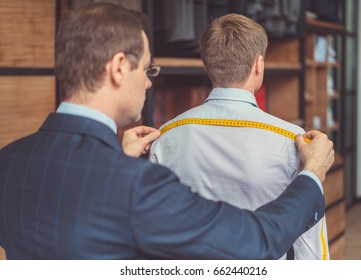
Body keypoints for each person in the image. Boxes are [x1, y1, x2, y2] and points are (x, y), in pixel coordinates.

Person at [0, 3, 334, 260]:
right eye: (147, 68)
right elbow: (258, 241)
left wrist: (117, 159)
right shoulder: (135, 185)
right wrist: (312, 173)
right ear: (119, 68)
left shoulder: (9, 162)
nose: (148, 81)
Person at [150, 14, 330, 260]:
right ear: (259, 64)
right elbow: (308, 241)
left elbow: (157, 226)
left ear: (206, 64)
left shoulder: (164, 136)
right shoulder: (295, 141)